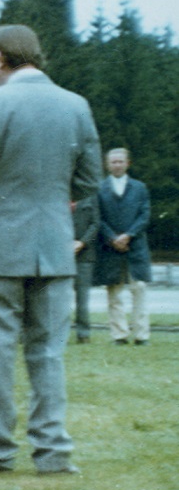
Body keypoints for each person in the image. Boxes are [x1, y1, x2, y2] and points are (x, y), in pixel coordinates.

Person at [0, 24, 100, 475]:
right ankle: (53, 452)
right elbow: (90, 180)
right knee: (48, 354)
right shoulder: (76, 105)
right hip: (54, 246)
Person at [94, 148, 152, 346]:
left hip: (135, 247)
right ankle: (119, 335)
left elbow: (144, 215)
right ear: (107, 164)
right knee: (114, 292)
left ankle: (141, 335)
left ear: (128, 163)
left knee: (140, 289)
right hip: (110, 248)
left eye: (120, 161)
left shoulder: (140, 188)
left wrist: (128, 235)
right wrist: (112, 237)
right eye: (113, 162)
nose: (117, 165)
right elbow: (97, 218)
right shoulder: (99, 189)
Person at [70, 195, 98, 344]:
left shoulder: (89, 198)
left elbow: (95, 224)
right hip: (59, 255)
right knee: (59, 299)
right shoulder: (58, 194)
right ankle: (58, 334)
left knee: (82, 299)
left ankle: (83, 334)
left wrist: (82, 243)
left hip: (85, 256)